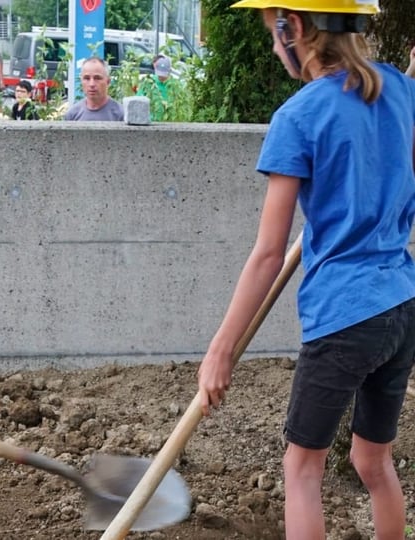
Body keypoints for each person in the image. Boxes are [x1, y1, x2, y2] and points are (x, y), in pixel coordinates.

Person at [196, 1, 415, 539]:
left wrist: (221, 351)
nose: (273, 46)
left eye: (273, 31)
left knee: (302, 469)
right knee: (372, 462)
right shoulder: (399, 92)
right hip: (401, 306)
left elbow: (270, 252)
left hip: (343, 316)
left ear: (294, 27)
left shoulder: (299, 116)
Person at [137, 55, 177, 122]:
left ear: (169, 71)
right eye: (160, 73)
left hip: (170, 123)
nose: (161, 76)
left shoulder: (175, 85)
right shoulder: (148, 83)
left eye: (164, 74)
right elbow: (138, 102)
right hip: (151, 122)